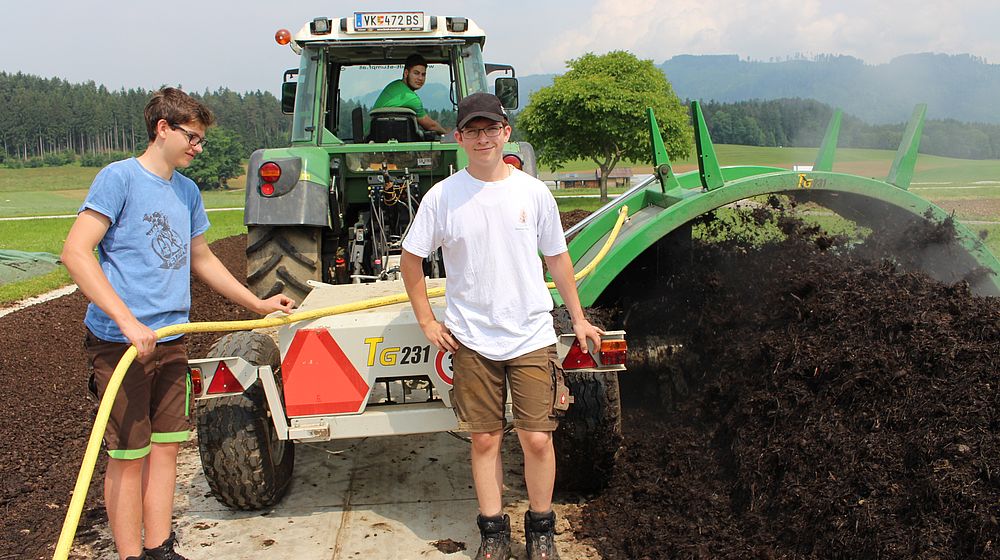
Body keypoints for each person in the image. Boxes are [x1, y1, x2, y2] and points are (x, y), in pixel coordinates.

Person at [61, 87, 295, 560]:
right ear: (162, 128)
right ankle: (130, 555)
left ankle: (159, 548)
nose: (198, 147)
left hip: (171, 338)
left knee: (166, 447)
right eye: (192, 136)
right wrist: (127, 323)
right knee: (129, 456)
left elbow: (201, 258)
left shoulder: (186, 191)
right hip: (121, 343)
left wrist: (257, 303)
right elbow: (75, 252)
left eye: (203, 140)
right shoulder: (120, 179)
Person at [400, 92, 603, 560]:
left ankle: (541, 530)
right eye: (473, 130)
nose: (483, 137)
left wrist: (577, 316)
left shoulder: (533, 192)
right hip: (472, 337)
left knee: (536, 437)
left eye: (491, 128)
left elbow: (557, 257)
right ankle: (493, 533)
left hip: (530, 333)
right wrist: (427, 320)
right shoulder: (443, 197)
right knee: (485, 437)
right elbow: (412, 259)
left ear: (506, 132)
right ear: (459, 138)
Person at [372, 53, 448, 134]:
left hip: (373, 138)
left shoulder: (394, 86)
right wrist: (447, 135)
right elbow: (431, 126)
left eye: (423, 74)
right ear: (406, 73)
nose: (420, 78)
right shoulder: (411, 98)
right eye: (416, 73)